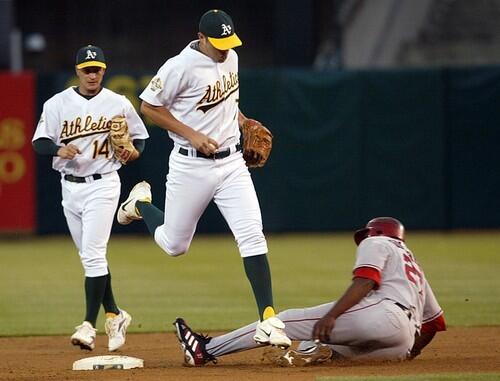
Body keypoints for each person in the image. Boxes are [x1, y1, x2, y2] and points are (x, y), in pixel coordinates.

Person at [117, 9, 290, 348]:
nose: (225, 49)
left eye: (229, 42)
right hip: (191, 165)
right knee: (174, 246)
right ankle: (141, 203)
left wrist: (242, 122)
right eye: (218, 43)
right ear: (201, 38)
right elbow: (149, 106)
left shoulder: (232, 58)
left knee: (252, 234)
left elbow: (229, 101)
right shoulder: (179, 66)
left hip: (232, 164)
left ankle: (268, 319)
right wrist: (191, 134)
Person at [173, 217, 447, 366]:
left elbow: (365, 282)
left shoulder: (379, 242)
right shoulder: (414, 267)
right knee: (324, 347)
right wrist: (410, 352)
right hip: (403, 340)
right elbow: (434, 323)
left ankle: (206, 348)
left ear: (374, 233)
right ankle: (308, 355)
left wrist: (332, 316)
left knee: (284, 321)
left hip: (383, 316)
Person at [32, 45, 149, 351]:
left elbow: (140, 138)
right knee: (89, 258)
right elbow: (40, 142)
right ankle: (115, 313)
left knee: (94, 255)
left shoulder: (118, 102)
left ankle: (87, 325)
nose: (92, 74)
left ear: (104, 70)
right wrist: (58, 149)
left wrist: (133, 151)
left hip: (104, 183)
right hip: (68, 187)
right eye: (87, 69)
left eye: (97, 69)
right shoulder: (57, 103)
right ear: (77, 71)